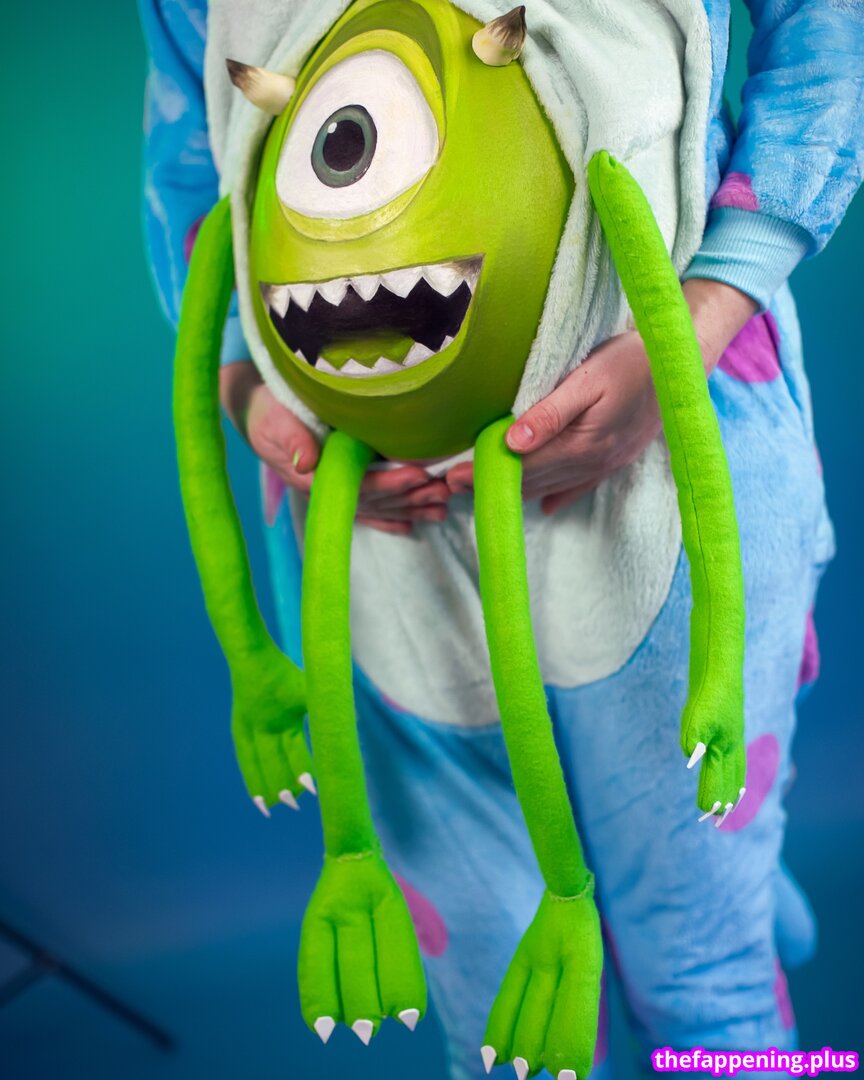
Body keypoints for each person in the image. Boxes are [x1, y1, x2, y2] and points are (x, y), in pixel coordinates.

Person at [139, 1, 863, 1077]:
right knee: (496, 1020)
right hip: (369, 532)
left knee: (706, 980)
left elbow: (825, 25)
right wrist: (257, 393)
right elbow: (195, 156)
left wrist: (702, 319)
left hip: (673, 444)